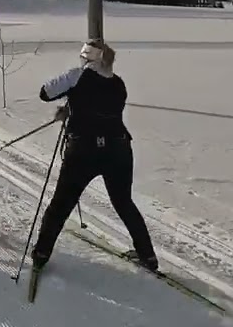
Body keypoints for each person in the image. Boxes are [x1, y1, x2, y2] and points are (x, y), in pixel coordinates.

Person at [31, 39, 159, 272]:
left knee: (60, 205)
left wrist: (69, 107)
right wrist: (71, 109)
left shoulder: (77, 76)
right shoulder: (119, 83)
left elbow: (45, 93)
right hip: (118, 149)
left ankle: (41, 254)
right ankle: (148, 256)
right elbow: (102, 108)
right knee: (124, 203)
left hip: (83, 151)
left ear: (87, 57)